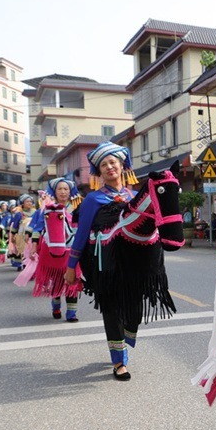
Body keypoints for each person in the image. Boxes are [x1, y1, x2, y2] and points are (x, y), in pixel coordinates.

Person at [64, 142, 142, 381]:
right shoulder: (92, 200)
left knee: (133, 311)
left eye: (113, 162)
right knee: (112, 309)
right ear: (98, 172)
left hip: (133, 264)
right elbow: (81, 234)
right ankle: (119, 361)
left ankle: (125, 338)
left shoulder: (136, 197)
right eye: (104, 164)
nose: (109, 167)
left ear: (123, 166)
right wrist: (71, 266)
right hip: (103, 264)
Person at [30, 178, 82, 321]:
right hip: (52, 250)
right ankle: (56, 306)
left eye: (66, 189)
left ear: (70, 192)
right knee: (57, 279)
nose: (63, 192)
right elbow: (38, 228)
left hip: (72, 249)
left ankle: (72, 314)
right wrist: (34, 245)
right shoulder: (48, 209)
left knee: (72, 280)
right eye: (60, 189)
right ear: (55, 191)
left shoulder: (77, 209)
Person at [8, 195, 36, 271]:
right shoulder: (19, 214)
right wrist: (13, 236)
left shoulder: (35, 212)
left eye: (30, 201)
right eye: (27, 201)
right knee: (24, 253)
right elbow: (15, 226)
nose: (29, 203)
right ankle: (26, 269)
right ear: (22, 203)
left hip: (33, 236)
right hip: (21, 237)